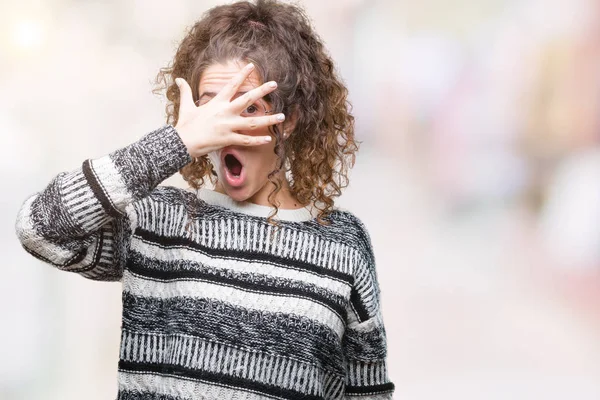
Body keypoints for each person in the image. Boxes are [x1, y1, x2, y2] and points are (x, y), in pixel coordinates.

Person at [15, 0, 395, 399]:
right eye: (210, 108)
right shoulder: (158, 222)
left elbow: (368, 393)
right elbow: (40, 229)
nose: (223, 128)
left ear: (291, 118)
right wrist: (177, 143)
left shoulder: (343, 245)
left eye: (245, 107)